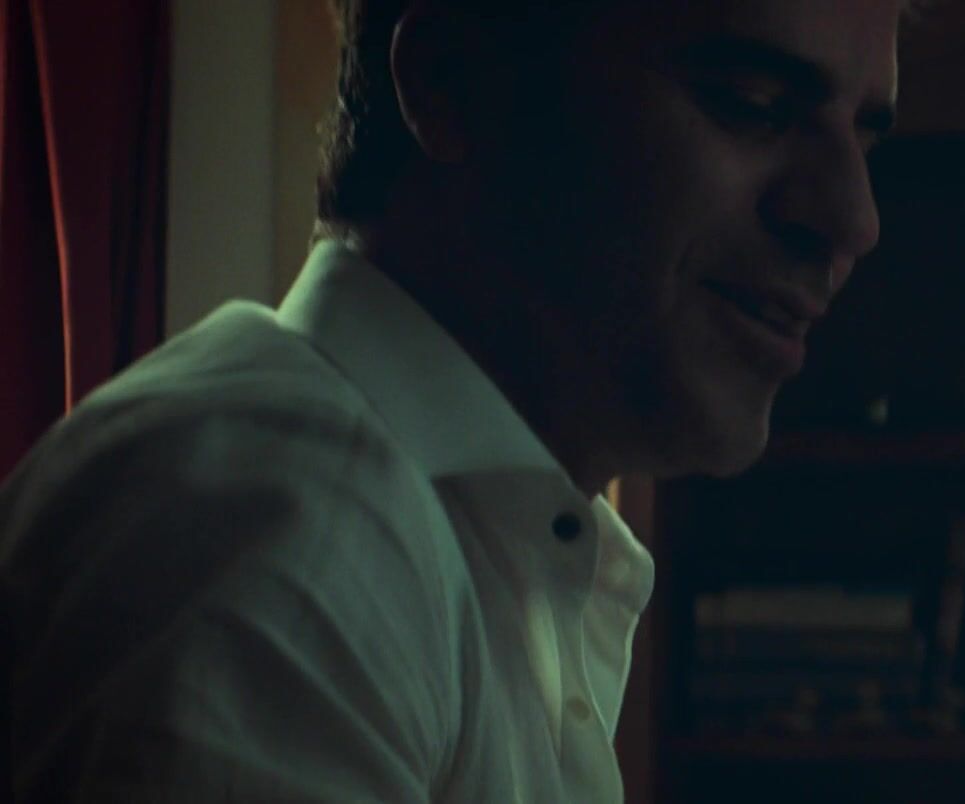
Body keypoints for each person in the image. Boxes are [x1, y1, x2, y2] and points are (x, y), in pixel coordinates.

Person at [0, 0, 898, 799]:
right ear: (455, 81)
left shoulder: (464, 550)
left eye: (863, 138)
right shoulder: (295, 532)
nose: (852, 219)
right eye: (751, 101)